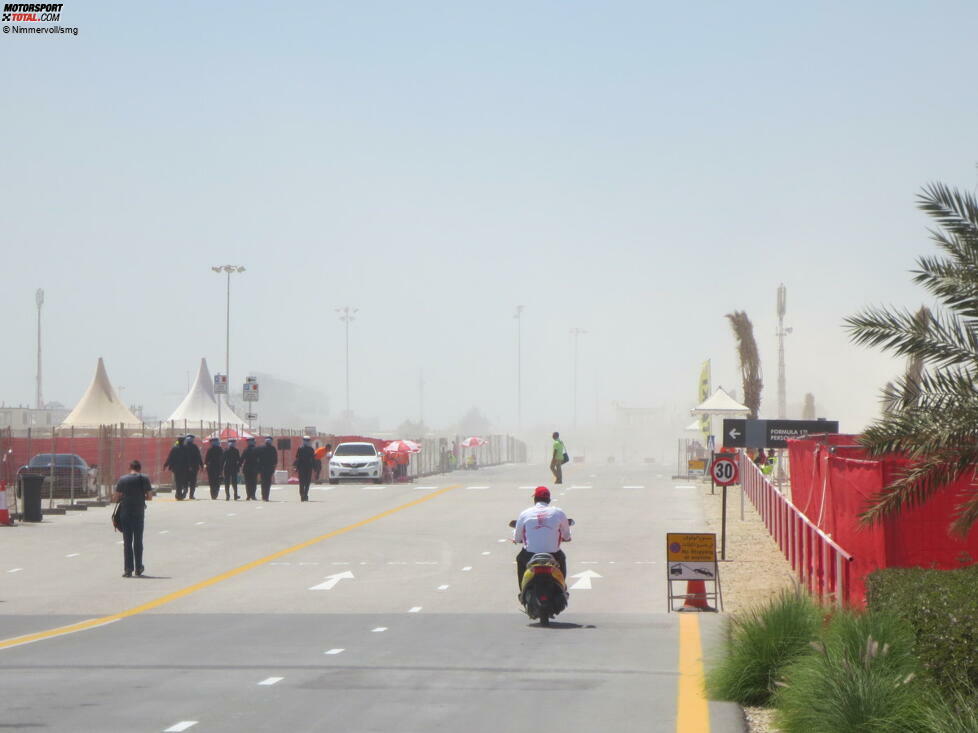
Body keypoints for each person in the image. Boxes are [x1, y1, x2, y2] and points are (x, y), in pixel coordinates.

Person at [512, 486, 571, 591]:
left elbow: (517, 537)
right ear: (548, 500)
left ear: (535, 499)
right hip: (553, 555)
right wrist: (566, 538)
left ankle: (523, 590)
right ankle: (562, 588)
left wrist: (516, 540)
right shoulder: (558, 513)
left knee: (520, 560)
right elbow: (567, 535)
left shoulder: (525, 513)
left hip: (530, 555)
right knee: (562, 559)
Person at [112, 460, 154, 578]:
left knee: (127, 541)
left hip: (125, 513)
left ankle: (128, 569)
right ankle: (139, 567)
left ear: (129, 468)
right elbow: (150, 497)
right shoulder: (144, 478)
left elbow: (115, 497)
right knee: (138, 541)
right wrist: (142, 496)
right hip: (138, 513)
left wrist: (123, 497)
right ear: (140, 468)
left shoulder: (122, 479)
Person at [163, 435, 187, 500]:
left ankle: (179, 494)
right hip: (184, 468)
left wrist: (165, 465)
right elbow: (189, 459)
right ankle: (181, 493)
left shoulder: (174, 448)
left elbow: (170, 458)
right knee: (182, 481)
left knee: (178, 481)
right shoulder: (185, 448)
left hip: (176, 468)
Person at [293, 435, 315, 501]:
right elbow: (298, 458)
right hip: (304, 467)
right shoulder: (302, 448)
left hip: (306, 467)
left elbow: (313, 459)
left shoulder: (310, 449)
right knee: (303, 482)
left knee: (306, 482)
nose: (307, 442)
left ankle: (304, 494)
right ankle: (303, 495)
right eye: (306, 440)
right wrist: (296, 467)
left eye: (308, 440)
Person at [183, 434, 203, 500]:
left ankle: (185, 490)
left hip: (185, 467)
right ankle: (191, 495)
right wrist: (201, 465)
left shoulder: (184, 447)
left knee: (185, 480)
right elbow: (199, 457)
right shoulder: (195, 447)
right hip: (194, 467)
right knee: (193, 481)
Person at [259, 436, 278, 501]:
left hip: (262, 468)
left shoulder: (261, 448)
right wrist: (274, 467)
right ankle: (266, 496)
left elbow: (258, 458)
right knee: (267, 482)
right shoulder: (273, 449)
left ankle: (263, 495)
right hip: (269, 468)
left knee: (263, 482)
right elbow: (275, 459)